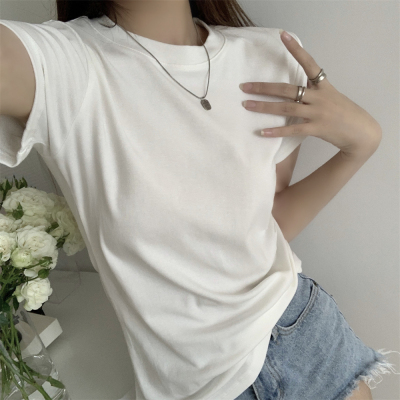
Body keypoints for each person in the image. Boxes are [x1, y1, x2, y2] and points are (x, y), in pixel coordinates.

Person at [0, 1, 398, 399]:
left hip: (302, 333)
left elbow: (269, 220)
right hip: (197, 384)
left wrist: (360, 147)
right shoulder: (64, 64)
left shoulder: (273, 54)